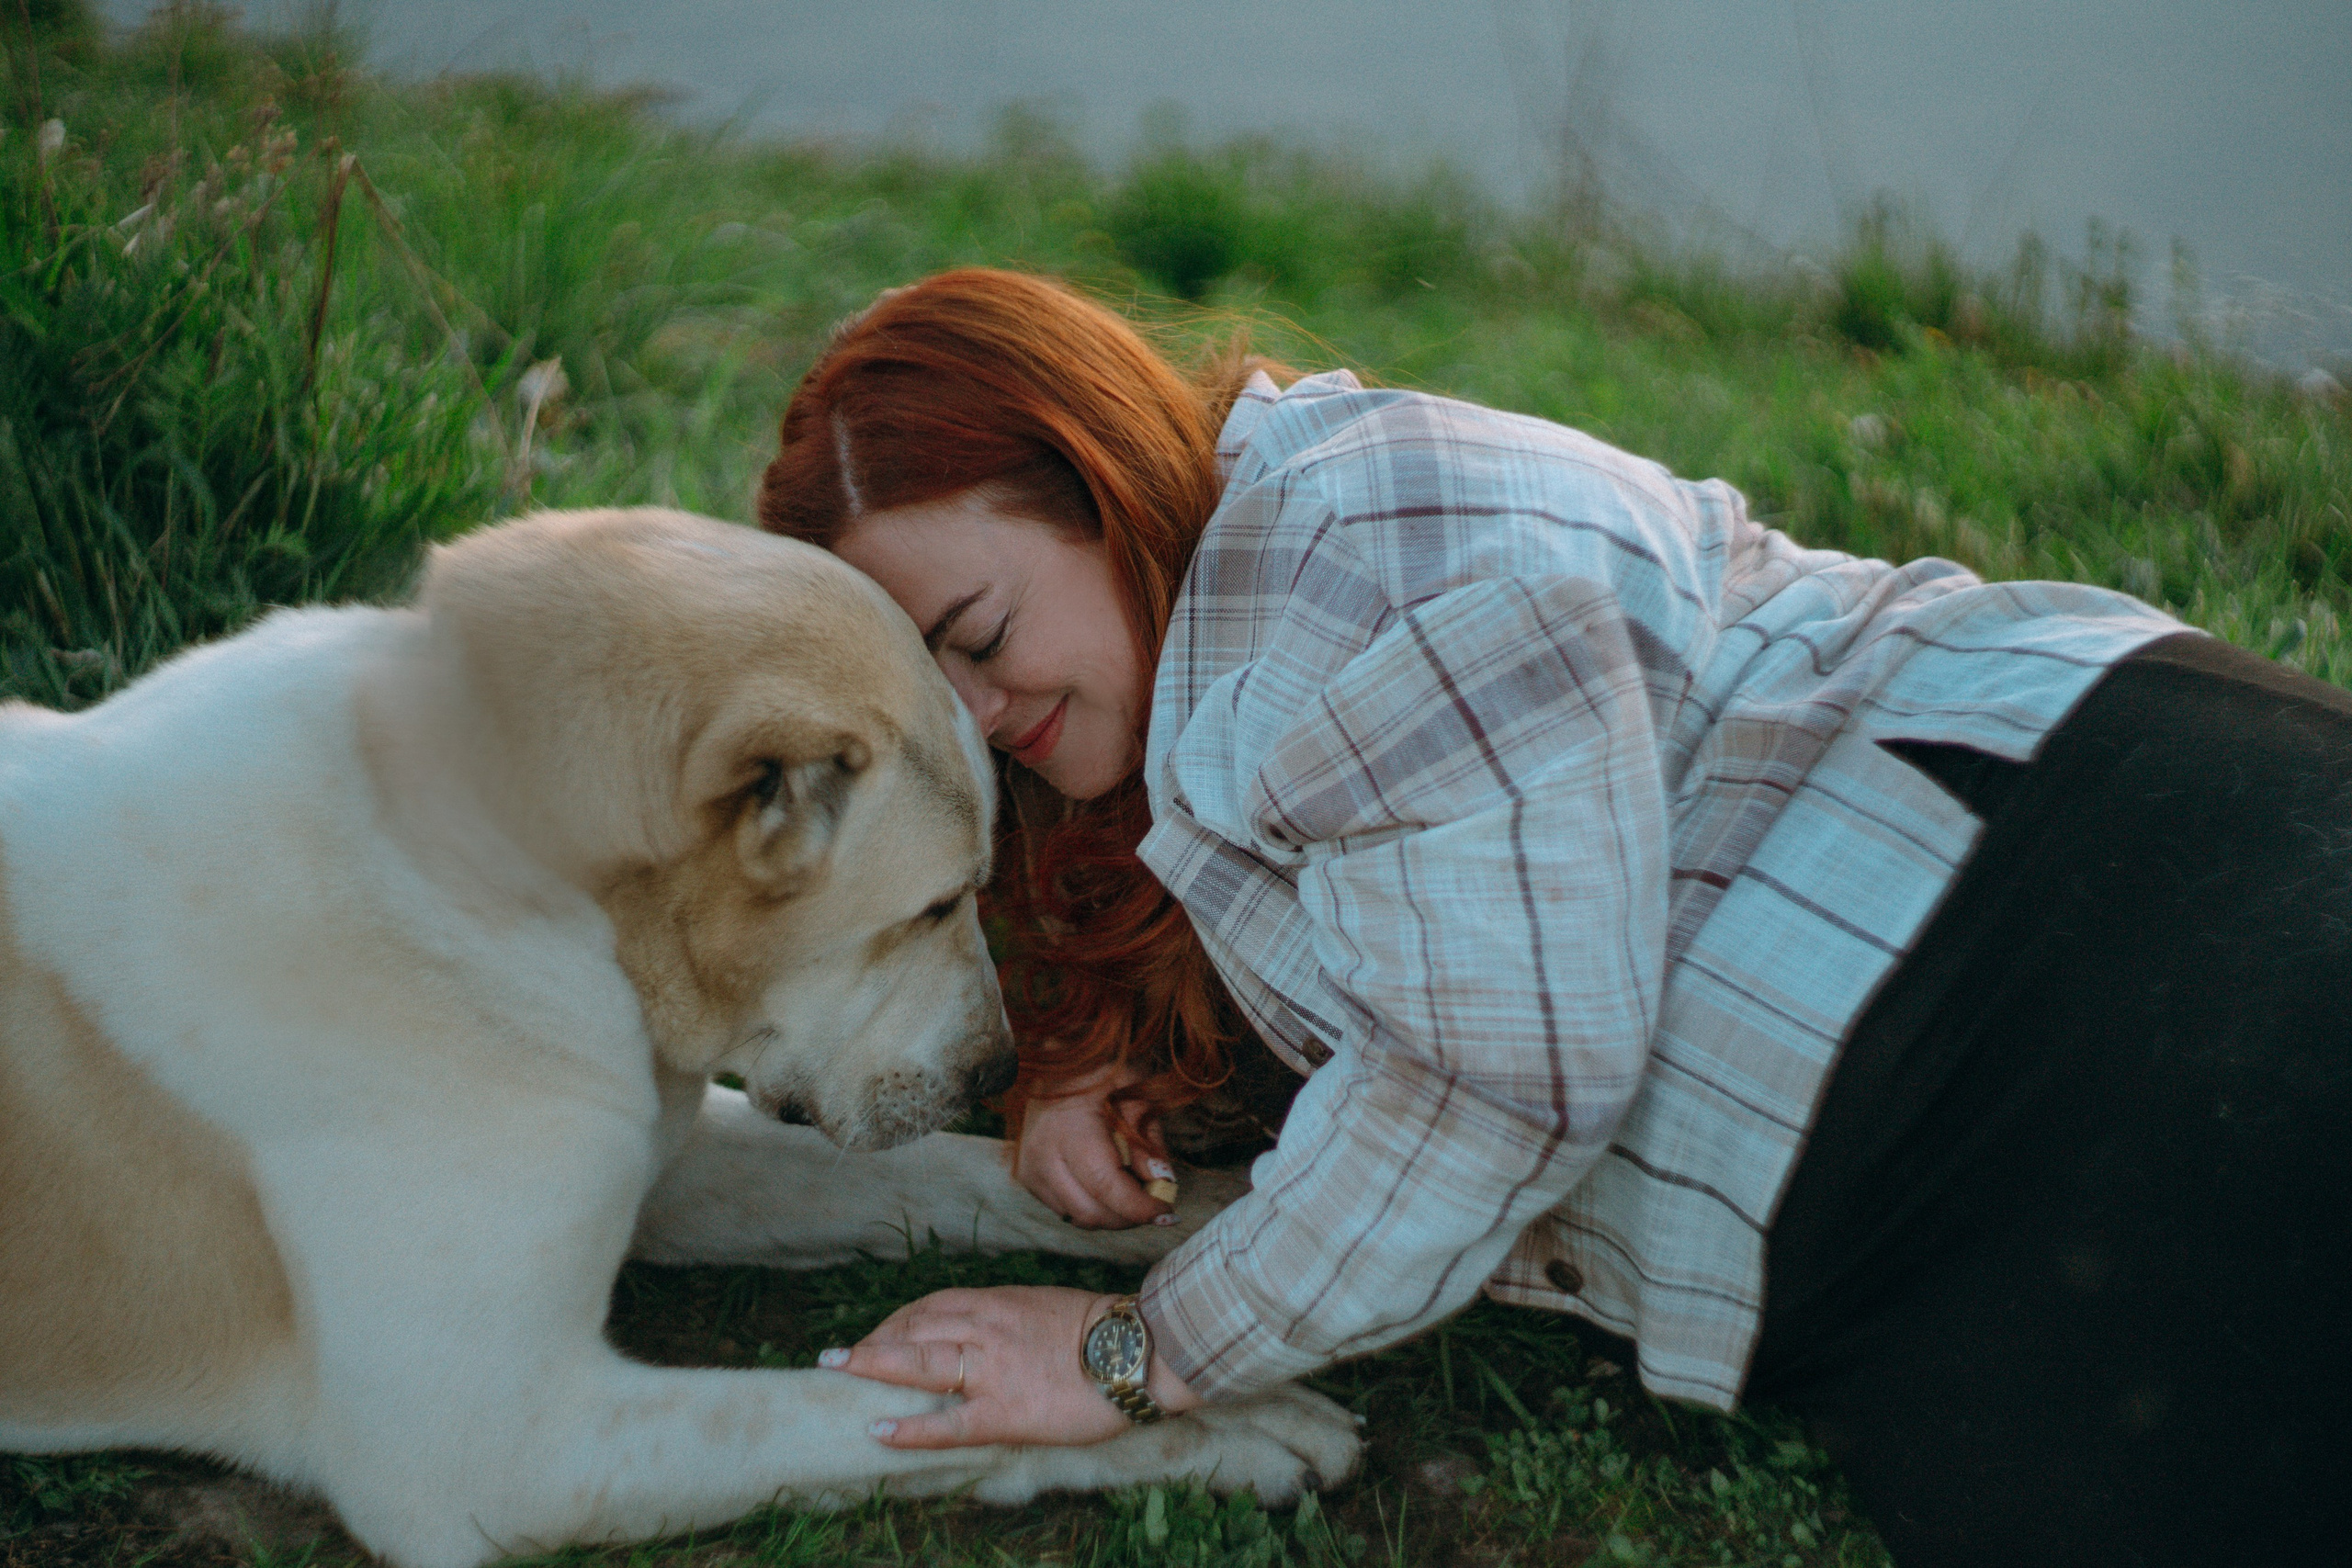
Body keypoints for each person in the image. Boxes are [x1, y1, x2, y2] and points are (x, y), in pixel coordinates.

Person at [756, 268, 2349, 1566]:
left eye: (979, 632)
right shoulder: (1211, 614)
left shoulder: (1356, 575)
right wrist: (1094, 1062)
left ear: (1097, 482)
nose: (980, 708)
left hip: (2049, 949)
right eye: (931, 689)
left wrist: (1133, 1357)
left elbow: (1492, 1077)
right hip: (2000, 987)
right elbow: (1417, 913)